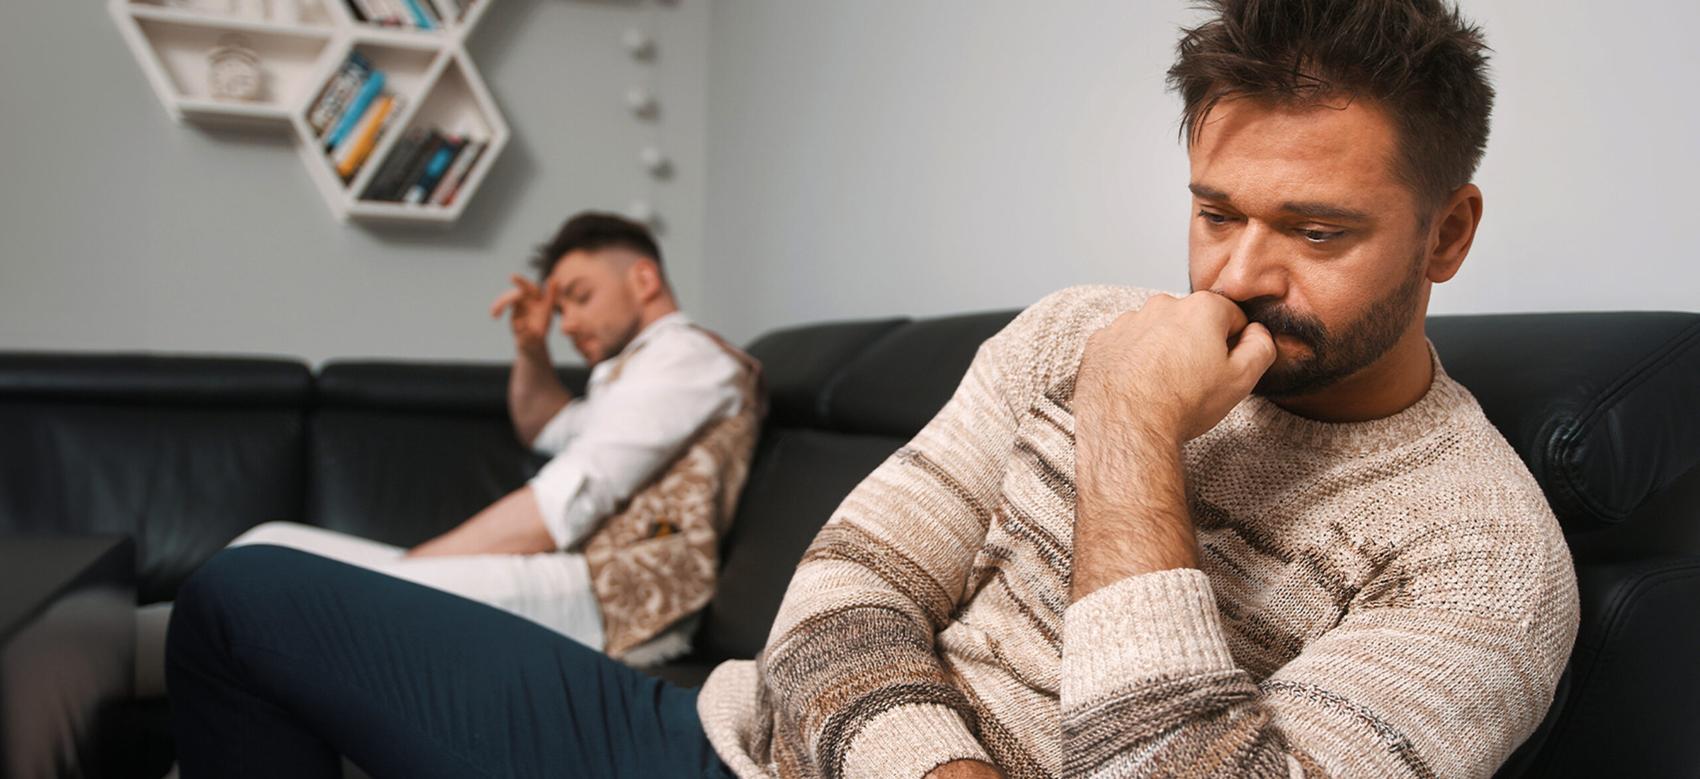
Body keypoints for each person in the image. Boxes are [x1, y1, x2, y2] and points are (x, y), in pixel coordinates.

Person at [165, 1, 1578, 777]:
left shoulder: (1483, 556)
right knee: (242, 596)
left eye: (1316, 230)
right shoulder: (1069, 329)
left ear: (1446, 232)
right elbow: (842, 588)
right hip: (745, 743)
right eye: (1214, 210)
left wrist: (1132, 432)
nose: (1238, 272)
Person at [136, 212, 762, 697]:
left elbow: (568, 499)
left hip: (603, 596)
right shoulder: (636, 371)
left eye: (579, 295)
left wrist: (406, 571)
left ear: (643, 279)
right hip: (565, 571)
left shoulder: (686, 359)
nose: (568, 322)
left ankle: (111, 657)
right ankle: (117, 645)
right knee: (266, 546)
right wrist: (531, 348)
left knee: (290, 597)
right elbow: (545, 425)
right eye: (561, 308)